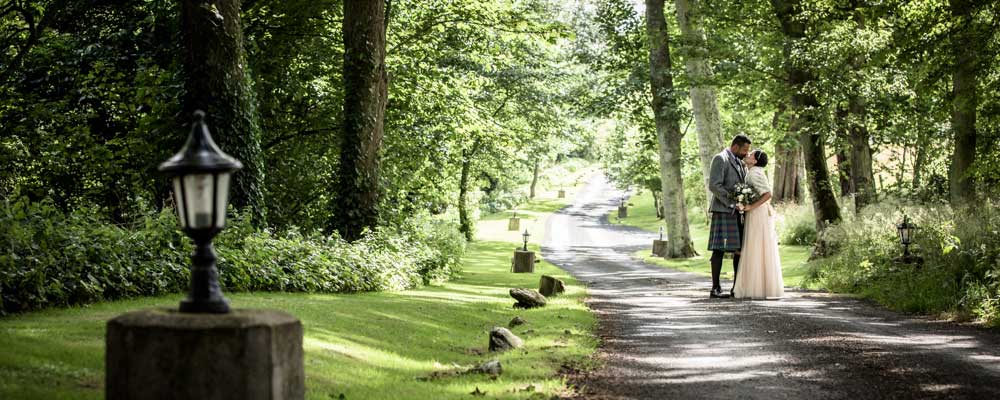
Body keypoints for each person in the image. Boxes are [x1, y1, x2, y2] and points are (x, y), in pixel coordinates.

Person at [733, 150, 784, 299]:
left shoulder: (754, 173)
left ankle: (754, 287)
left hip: (758, 214)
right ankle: (761, 287)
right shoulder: (754, 171)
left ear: (754, 161)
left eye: (750, 155)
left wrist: (750, 206)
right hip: (758, 213)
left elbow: (768, 194)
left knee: (755, 246)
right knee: (758, 247)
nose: (747, 155)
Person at [706, 135, 751, 298]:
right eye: (745, 150)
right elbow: (714, 185)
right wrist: (732, 202)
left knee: (738, 250)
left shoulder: (740, 162)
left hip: (737, 212)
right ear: (735, 147)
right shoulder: (720, 159)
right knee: (718, 249)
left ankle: (735, 287)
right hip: (723, 211)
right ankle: (715, 288)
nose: (747, 153)